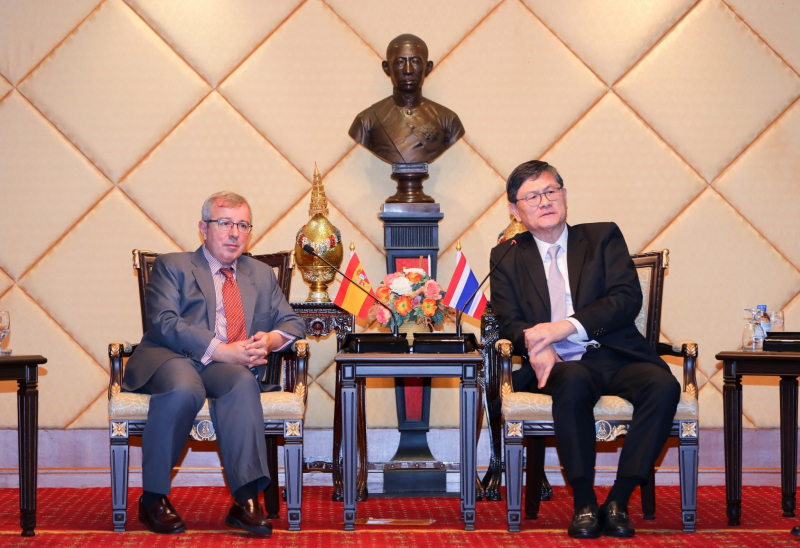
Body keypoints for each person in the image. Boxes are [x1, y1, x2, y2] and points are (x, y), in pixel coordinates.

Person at [489, 161, 680, 539]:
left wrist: (562, 328)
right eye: (532, 197)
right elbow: (508, 320)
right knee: (574, 380)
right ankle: (584, 503)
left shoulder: (601, 237)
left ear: (564, 195)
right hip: (559, 364)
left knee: (664, 386)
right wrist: (536, 344)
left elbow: (626, 299)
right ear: (515, 210)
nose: (544, 201)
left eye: (550, 191)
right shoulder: (507, 255)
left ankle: (619, 500)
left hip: (616, 354)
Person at [123, 191, 305, 536]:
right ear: (203, 228)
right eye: (225, 223)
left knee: (242, 382)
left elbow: (292, 323)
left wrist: (269, 340)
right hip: (172, 357)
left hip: (226, 368)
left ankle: (245, 500)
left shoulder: (261, 274)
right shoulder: (173, 265)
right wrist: (221, 350)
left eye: (243, 225)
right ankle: (153, 498)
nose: (235, 233)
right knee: (184, 389)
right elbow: (163, 322)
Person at [348, 34, 465, 165]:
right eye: (399, 62)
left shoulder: (449, 120)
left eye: (415, 62)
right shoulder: (366, 121)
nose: (408, 70)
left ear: (428, 67)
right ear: (387, 68)